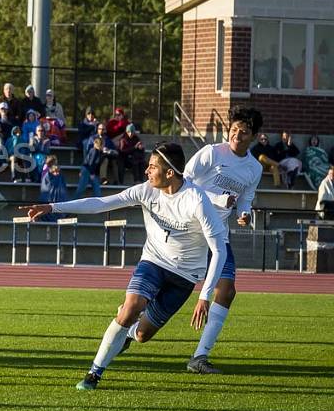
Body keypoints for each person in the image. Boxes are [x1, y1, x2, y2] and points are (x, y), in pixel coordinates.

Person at [22, 142, 228, 391]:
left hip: (184, 276)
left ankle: (128, 334)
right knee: (131, 307)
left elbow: (219, 250)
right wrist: (53, 208)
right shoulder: (146, 190)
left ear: (170, 172)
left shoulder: (196, 200)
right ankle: (94, 373)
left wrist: (204, 296)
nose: (147, 171)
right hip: (153, 261)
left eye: (152, 167)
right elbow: (100, 203)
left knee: (142, 335)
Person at [180, 106, 263, 373]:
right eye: (234, 129)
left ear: (254, 136)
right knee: (170, 293)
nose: (237, 134)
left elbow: (245, 199)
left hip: (218, 235)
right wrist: (217, 199)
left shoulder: (254, 168)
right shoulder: (212, 153)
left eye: (244, 131)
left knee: (227, 291)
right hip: (189, 230)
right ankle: (131, 329)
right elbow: (183, 183)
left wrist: (245, 214)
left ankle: (199, 357)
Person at [38, 155, 69, 221]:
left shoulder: (59, 177)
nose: (57, 173)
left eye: (58, 172)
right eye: (55, 172)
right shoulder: (47, 174)